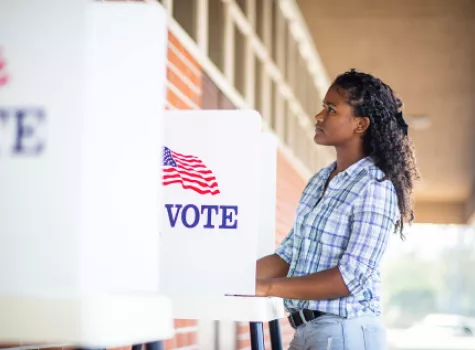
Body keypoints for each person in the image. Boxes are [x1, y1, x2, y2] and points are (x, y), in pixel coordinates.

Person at [255, 69, 419, 349]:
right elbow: (289, 255)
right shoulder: (319, 180)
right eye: (323, 107)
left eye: (331, 109)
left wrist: (267, 287)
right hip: (307, 331)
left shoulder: (375, 186)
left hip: (345, 333)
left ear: (360, 124)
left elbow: (351, 277)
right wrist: (234, 276)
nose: (319, 117)